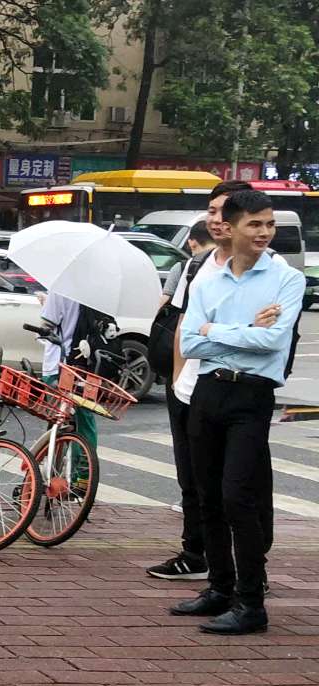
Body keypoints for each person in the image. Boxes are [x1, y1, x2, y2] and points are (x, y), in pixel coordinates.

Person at [171, 189, 304, 636]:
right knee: (207, 495)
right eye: (255, 224)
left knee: (237, 497)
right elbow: (190, 343)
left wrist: (216, 331)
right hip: (208, 391)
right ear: (230, 227)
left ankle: (251, 603)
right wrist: (245, 328)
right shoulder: (206, 280)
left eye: (270, 224)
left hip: (251, 396)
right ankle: (219, 588)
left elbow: (273, 341)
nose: (265, 232)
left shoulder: (286, 279)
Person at [149, 181, 251, 582]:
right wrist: (177, 382)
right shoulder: (197, 265)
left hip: (236, 390)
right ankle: (195, 553)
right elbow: (182, 327)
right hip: (188, 388)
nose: (217, 219)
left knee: (237, 487)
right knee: (191, 478)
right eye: (211, 211)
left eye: (225, 211)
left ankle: (249, 568)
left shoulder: (267, 269)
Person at [38, 291, 97, 452]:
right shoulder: (98, 290)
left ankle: (55, 462)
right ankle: (85, 464)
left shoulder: (60, 289)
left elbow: (45, 327)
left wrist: (46, 304)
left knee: (58, 419)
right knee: (85, 419)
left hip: (60, 363)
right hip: (88, 365)